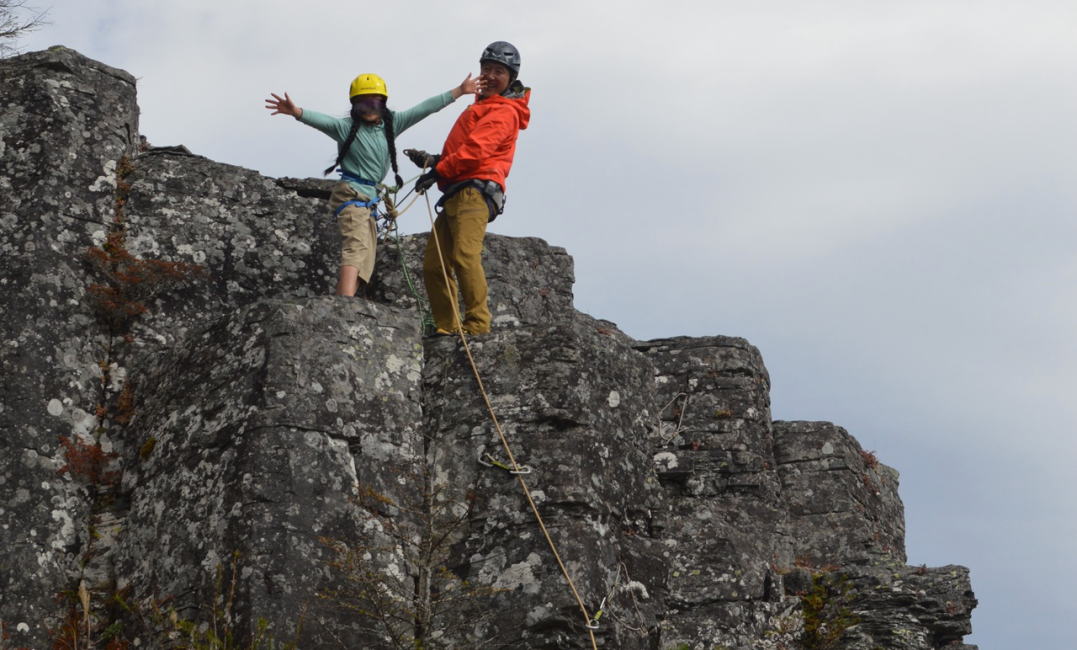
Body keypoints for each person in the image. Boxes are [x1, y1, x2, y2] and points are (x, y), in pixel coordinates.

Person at [265, 73, 477, 297]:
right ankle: (344, 303)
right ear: (354, 106)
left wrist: (459, 91)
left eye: (374, 103)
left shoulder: (391, 124)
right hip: (352, 195)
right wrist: (296, 112)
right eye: (362, 104)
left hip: (369, 199)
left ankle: (347, 301)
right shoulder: (344, 127)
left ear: (383, 104)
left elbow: (424, 109)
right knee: (356, 248)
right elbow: (322, 121)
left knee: (366, 259)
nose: (369, 109)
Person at [405, 41, 531, 335]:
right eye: (486, 69)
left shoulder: (504, 111)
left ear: (511, 78)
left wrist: (439, 170)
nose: (490, 75)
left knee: (464, 255)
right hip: (458, 190)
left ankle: (477, 325)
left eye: (499, 71)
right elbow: (466, 151)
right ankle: (448, 327)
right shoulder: (482, 108)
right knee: (434, 264)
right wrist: (435, 161)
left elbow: (476, 152)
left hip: (475, 191)